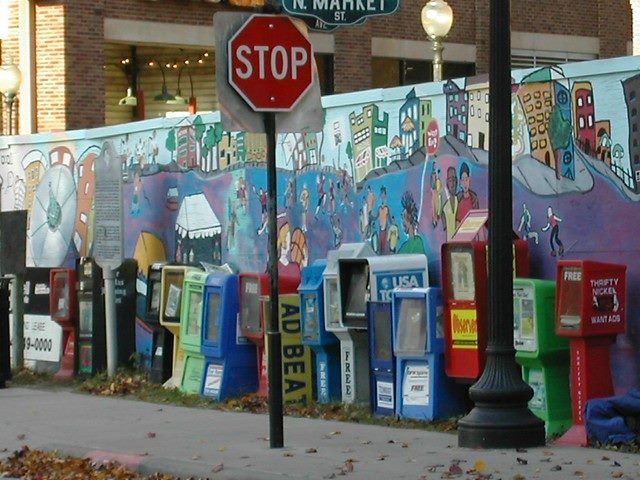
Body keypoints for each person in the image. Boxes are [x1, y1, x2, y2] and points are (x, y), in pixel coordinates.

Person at [441, 166, 459, 240]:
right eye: (450, 180)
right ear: (447, 183)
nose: (452, 183)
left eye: (454, 180)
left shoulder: (460, 202)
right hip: (450, 248)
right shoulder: (444, 209)